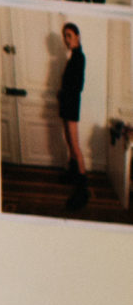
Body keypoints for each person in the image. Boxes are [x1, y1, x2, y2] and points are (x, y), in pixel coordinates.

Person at [55, 19, 89, 208]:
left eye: (69, 36)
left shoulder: (79, 57)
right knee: (68, 140)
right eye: (65, 37)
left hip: (72, 105)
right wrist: (61, 93)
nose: (67, 40)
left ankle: (83, 190)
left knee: (75, 145)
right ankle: (72, 173)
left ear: (77, 36)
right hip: (66, 103)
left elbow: (78, 86)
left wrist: (65, 93)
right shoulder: (73, 56)